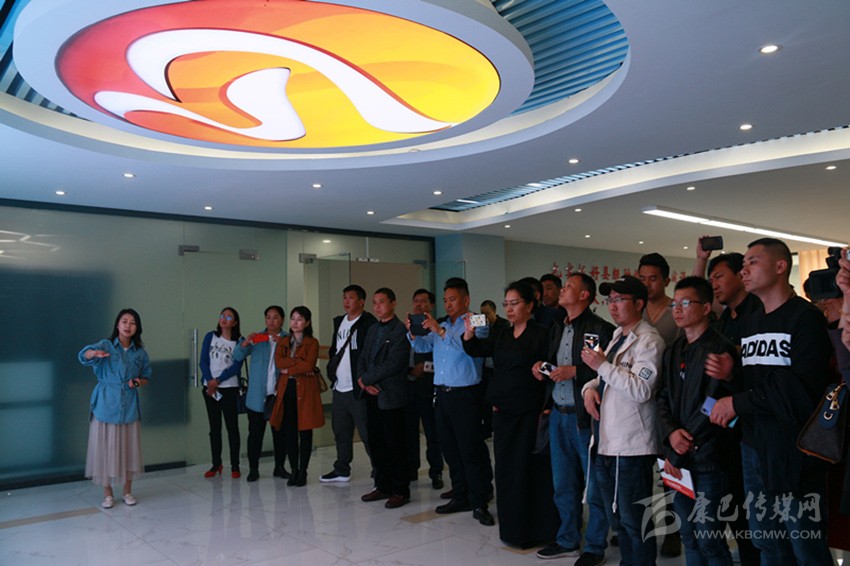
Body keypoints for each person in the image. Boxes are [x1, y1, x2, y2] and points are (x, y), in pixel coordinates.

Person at [709, 238, 834, 564]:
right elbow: (759, 382)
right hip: (753, 445)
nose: (744, 270)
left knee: (804, 543)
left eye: (752, 262)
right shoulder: (751, 321)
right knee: (766, 541)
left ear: (780, 266)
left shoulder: (805, 317)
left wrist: (737, 402)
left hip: (794, 448)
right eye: (743, 264)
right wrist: (732, 374)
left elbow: (800, 393)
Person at [463, 281, 559, 546]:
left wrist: (542, 368)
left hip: (531, 412)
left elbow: (555, 367)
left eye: (514, 303)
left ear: (530, 305)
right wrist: (469, 333)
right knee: (506, 470)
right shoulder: (502, 334)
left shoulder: (543, 333)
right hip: (503, 412)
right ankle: (512, 530)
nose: (509, 308)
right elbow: (477, 350)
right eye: (506, 304)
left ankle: (538, 530)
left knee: (530, 470)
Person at [581, 275, 665, 566]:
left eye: (619, 300)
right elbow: (602, 378)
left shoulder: (649, 341)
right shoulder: (619, 336)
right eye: (610, 300)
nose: (613, 306)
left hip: (631, 446)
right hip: (607, 442)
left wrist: (601, 366)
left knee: (634, 521)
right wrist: (588, 389)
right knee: (617, 519)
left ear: (639, 304)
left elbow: (642, 390)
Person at [532, 273, 614, 565]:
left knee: (594, 486)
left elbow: (608, 371)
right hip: (558, 413)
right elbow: (555, 363)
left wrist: (575, 371)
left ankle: (594, 546)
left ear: (584, 295)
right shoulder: (558, 326)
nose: (562, 289)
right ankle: (567, 539)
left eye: (568, 286)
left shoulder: (601, 329)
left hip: (585, 418)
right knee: (563, 483)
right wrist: (541, 366)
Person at [656, 277, 737, 566]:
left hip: (709, 457)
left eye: (686, 303)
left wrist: (681, 444)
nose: (677, 309)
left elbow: (714, 403)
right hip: (677, 457)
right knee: (688, 535)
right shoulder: (674, 349)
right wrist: (671, 436)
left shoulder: (720, 348)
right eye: (674, 304)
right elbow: (663, 397)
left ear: (705, 308)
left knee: (709, 539)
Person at [409, 278, 494, 526]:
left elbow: (471, 346)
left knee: (470, 449)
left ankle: (479, 501)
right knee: (450, 448)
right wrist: (412, 332)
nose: (448, 304)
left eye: (453, 299)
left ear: (466, 299)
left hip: (466, 394)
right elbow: (422, 345)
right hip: (442, 393)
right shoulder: (443, 324)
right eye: (445, 300)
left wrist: (441, 332)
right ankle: (460, 495)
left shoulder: (477, 320)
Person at [78, 308, 151, 509]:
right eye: (124, 321)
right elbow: (83, 355)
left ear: (137, 328)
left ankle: (127, 491)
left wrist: (137, 382)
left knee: (129, 450)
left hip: (129, 406)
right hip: (106, 404)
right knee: (105, 450)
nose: (128, 326)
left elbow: (146, 376)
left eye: (132, 322)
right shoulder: (105, 345)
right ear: (117, 324)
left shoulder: (140, 352)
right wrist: (94, 353)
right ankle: (108, 493)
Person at [358, 288, 412, 509]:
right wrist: (363, 381)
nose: (377, 307)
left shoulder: (400, 330)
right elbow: (363, 357)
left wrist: (366, 378)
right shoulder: (372, 329)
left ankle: (400, 490)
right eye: (375, 302)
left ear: (393, 303)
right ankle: (382, 486)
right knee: (376, 443)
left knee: (395, 444)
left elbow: (394, 363)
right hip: (371, 394)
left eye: (381, 302)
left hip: (391, 395)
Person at [320, 284, 377, 483]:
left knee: (367, 432)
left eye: (351, 297)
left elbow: (371, 355)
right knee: (341, 431)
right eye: (344, 297)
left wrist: (367, 379)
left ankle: (379, 469)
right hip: (340, 387)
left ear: (361, 301)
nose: (346, 301)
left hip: (359, 387)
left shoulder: (369, 323)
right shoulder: (339, 322)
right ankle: (342, 469)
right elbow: (335, 350)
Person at [232, 305, 288, 482]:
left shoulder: (288, 339)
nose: (272, 321)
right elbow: (237, 355)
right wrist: (245, 343)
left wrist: (283, 344)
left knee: (279, 434)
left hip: (278, 395)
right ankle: (253, 469)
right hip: (257, 396)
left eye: (276, 317)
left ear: (282, 320)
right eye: (268, 317)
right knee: (255, 434)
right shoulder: (257, 338)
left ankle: (279, 467)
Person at [271, 306, 325, 487]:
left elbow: (309, 366)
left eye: (299, 319)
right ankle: (294, 469)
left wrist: (290, 369)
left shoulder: (312, 342)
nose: (295, 322)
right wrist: (297, 362)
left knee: (305, 430)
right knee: (290, 431)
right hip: (287, 389)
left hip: (305, 391)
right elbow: (279, 362)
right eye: (293, 318)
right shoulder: (283, 341)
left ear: (307, 323)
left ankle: (303, 471)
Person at [404, 288, 444, 489]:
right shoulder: (407, 328)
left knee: (432, 434)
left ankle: (436, 472)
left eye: (423, 301)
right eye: (416, 301)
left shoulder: (437, 328)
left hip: (428, 388)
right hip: (408, 387)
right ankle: (411, 469)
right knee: (409, 433)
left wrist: (424, 367)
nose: (418, 305)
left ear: (431, 305)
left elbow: (443, 361)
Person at [199, 307, 244, 479]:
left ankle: (235, 465)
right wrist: (210, 380)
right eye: (222, 316)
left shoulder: (240, 341)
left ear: (235, 322)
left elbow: (236, 366)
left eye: (229, 317)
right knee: (214, 428)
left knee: (232, 428)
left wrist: (217, 381)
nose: (224, 319)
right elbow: (203, 361)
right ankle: (216, 464)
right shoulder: (210, 336)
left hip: (229, 389)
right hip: (210, 389)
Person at [638, 252, 679, 347]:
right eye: (642, 279)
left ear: (666, 282)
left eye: (653, 279)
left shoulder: (677, 310)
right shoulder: (635, 309)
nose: (646, 284)